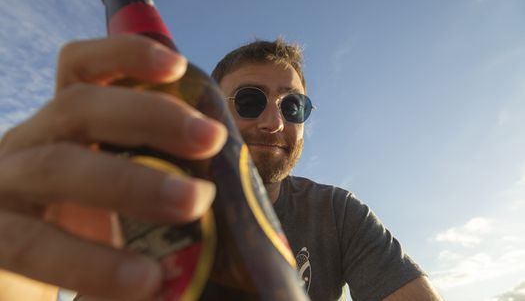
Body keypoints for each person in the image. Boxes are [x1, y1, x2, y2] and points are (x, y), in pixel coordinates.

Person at [0, 35, 442, 300]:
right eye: (250, 100)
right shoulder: (153, 207)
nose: (274, 122)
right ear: (212, 114)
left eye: (293, 106)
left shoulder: (337, 212)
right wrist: (18, 275)